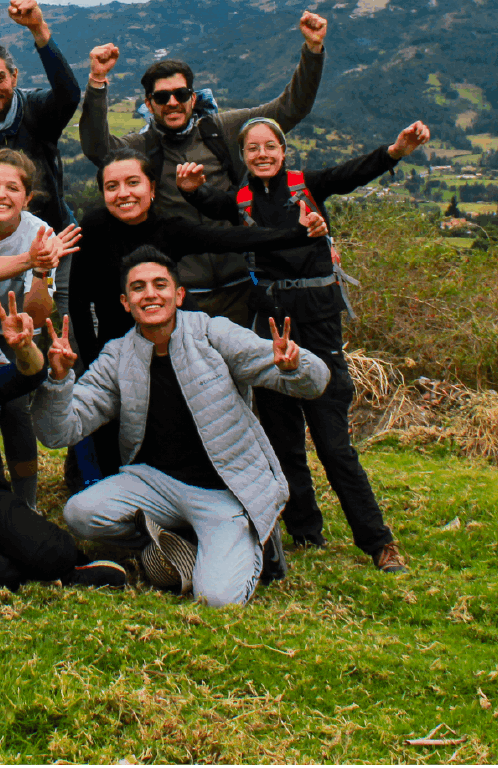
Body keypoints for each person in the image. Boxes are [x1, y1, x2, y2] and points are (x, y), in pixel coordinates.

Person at [179, 115, 429, 573]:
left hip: (318, 328)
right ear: (244, 157)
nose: (262, 154)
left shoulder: (307, 186)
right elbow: (212, 206)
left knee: (334, 444)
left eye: (269, 146)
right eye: (252, 149)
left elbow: (348, 174)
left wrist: (393, 152)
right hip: (270, 328)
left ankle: (377, 542)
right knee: (282, 438)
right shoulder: (241, 199)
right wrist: (192, 189)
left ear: (283, 150)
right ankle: (305, 531)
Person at [32, 246, 330, 608]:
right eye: (138, 288)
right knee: (80, 513)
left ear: (179, 294)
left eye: (160, 284)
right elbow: (57, 433)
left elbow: (315, 381)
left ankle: (252, 540)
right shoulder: (117, 356)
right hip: (156, 484)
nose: (151, 294)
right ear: (126, 303)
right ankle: (189, 542)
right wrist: (59, 380)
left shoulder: (213, 334)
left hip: (225, 490)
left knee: (218, 600)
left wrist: (292, 366)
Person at [65, 148, 329, 482]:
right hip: (114, 346)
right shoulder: (94, 227)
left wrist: (296, 233)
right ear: (103, 192)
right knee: (108, 423)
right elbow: (78, 302)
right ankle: (102, 488)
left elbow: (227, 238)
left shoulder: (168, 229)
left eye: (133, 183)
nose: (124, 194)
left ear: (151, 187)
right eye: (112, 186)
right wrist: (90, 359)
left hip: (171, 344)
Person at [78, 10, 328, 328]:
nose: (172, 102)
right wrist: (97, 82)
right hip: (183, 295)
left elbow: (291, 108)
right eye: (162, 96)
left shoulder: (223, 129)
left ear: (193, 98)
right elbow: (97, 150)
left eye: (180, 94)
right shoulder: (141, 148)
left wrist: (313, 50)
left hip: (242, 285)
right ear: (149, 103)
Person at [0, 292, 126, 594]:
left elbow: (19, 377)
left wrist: (25, 350)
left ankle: (57, 567)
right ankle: (34, 574)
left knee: (56, 551)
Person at [0, 149, 82, 510]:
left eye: (12, 188)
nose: (1, 195)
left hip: (11, 332)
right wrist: (26, 260)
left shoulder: (41, 234)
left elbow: (35, 317)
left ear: (27, 197)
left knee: (15, 412)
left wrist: (40, 271)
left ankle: (26, 502)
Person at [0, 0, 82, 315]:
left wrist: (39, 30)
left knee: (48, 321)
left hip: (49, 242)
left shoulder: (35, 111)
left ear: (15, 77)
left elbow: (68, 95)